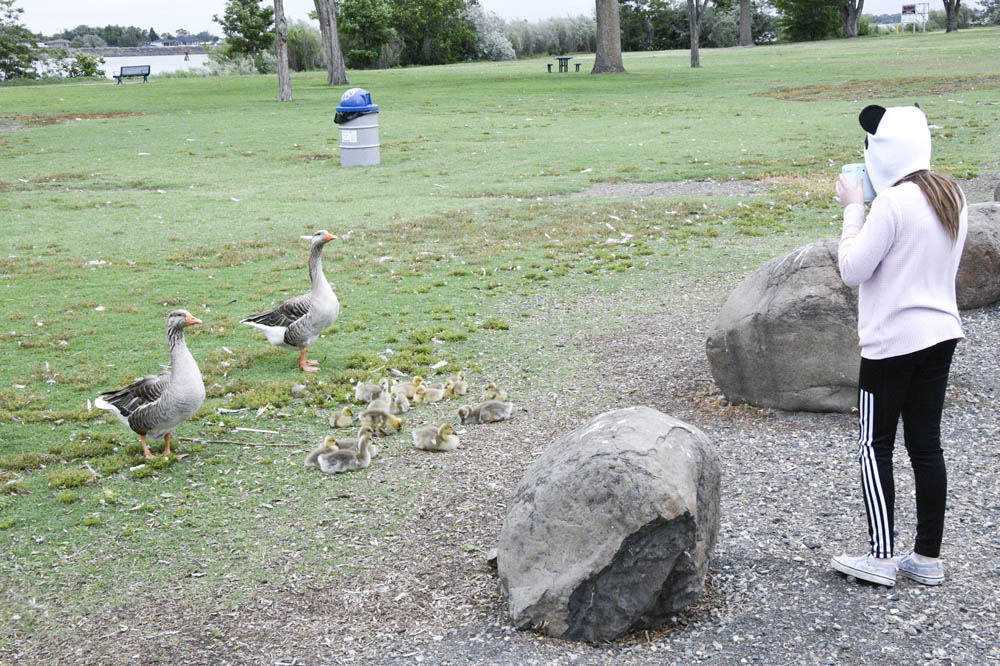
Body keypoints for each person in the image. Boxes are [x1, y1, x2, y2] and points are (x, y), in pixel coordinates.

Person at [831, 103, 968, 588]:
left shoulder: (891, 203)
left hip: (890, 344)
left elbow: (852, 269)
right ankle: (927, 558)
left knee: (874, 446)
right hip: (940, 335)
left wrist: (853, 209)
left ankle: (881, 557)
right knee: (926, 445)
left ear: (882, 149)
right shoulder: (952, 194)